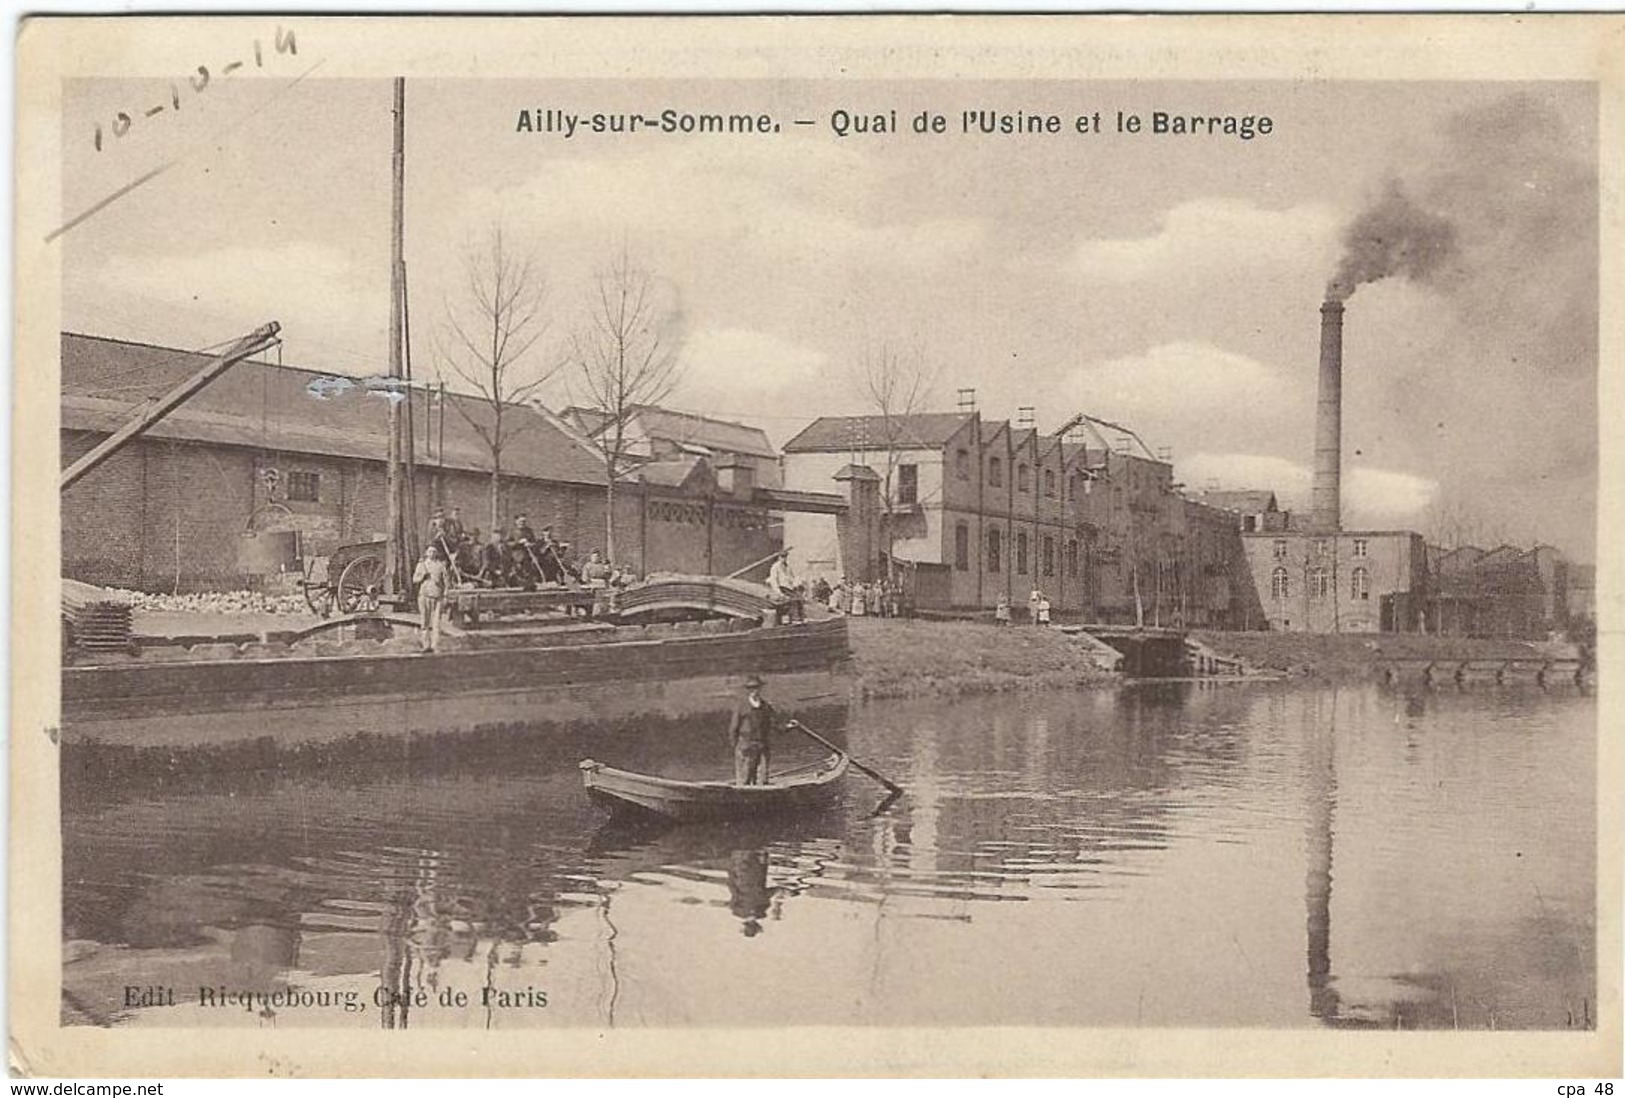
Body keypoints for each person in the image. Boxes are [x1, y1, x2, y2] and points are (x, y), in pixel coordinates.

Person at [727, 674, 781, 785]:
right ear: (748, 690)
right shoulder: (741, 706)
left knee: (763, 778)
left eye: (756, 687)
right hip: (745, 745)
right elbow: (733, 728)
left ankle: (761, 797)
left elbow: (775, 724)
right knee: (744, 778)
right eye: (751, 688)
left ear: (760, 689)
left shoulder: (766, 706)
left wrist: (787, 727)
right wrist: (736, 745)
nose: (754, 690)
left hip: (762, 745)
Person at [412, 545, 451, 653]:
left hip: (437, 597)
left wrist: (446, 594)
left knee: (436, 623)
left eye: (434, 551)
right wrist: (422, 577)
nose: (432, 553)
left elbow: (447, 582)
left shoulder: (441, 565)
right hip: (424, 596)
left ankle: (435, 646)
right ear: (426, 553)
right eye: (430, 551)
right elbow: (415, 579)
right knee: (424, 622)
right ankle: (426, 645)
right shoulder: (421, 565)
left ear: (436, 553)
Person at [767, 549, 803, 624]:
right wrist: (779, 592)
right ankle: (795, 619)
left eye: (785, 556)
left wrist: (796, 584)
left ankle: (799, 618)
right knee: (793, 600)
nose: (784, 558)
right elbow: (774, 580)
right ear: (779, 557)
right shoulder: (775, 567)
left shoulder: (788, 567)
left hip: (789, 588)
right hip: (781, 588)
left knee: (799, 599)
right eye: (782, 557)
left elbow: (792, 578)